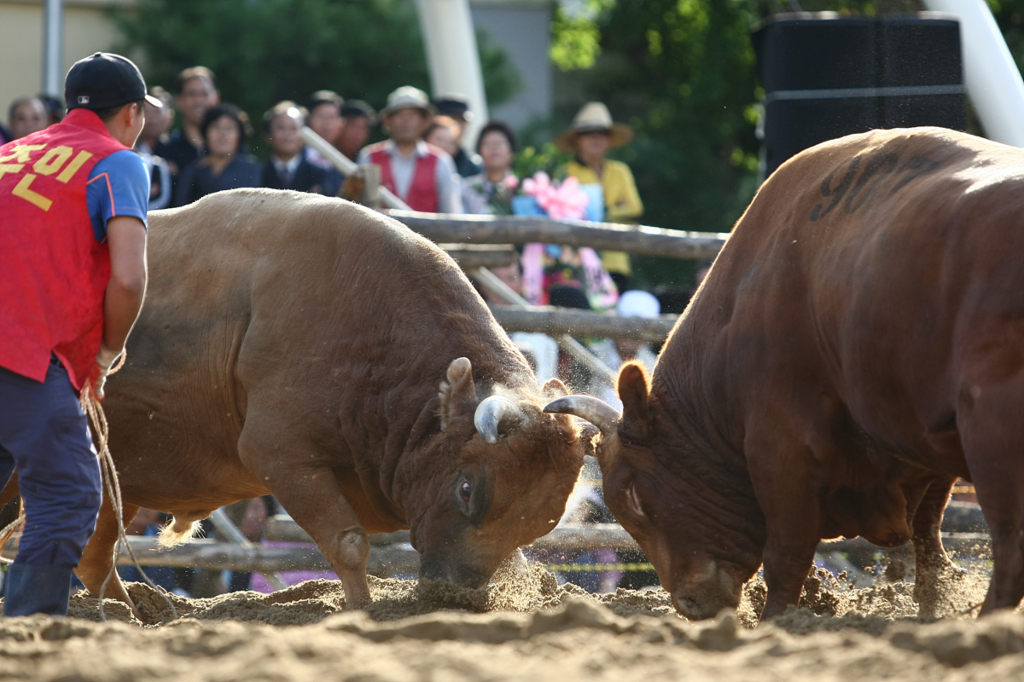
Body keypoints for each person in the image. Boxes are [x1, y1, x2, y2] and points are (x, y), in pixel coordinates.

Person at [0, 51, 156, 617]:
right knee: (68, 494)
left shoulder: (9, 152)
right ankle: (28, 639)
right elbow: (130, 276)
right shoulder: (118, 164)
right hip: (22, 351)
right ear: (132, 114)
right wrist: (106, 354)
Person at [556, 102, 643, 290]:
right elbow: (561, 214)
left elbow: (635, 207)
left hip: (618, 259)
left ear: (609, 139)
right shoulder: (564, 172)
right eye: (588, 132)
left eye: (602, 132)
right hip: (578, 263)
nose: (596, 138)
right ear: (577, 139)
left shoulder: (621, 171)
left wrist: (598, 211)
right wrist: (617, 206)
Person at [357, 86, 462, 213]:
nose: (406, 121)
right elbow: (360, 210)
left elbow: (451, 214)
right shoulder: (369, 156)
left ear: (424, 122)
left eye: (413, 115)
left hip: (429, 233)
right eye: (400, 115)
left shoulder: (441, 161)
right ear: (388, 121)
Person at [172, 104, 260, 207]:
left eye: (229, 128)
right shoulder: (192, 171)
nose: (222, 134)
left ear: (240, 135)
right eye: (216, 127)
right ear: (205, 132)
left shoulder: (253, 170)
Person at [155, 66, 220, 178]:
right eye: (192, 94)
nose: (198, 101)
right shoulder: (166, 149)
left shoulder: (229, 148)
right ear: (179, 100)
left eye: (205, 94)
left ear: (216, 98)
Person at [260, 101, 331, 194]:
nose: (287, 134)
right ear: (268, 135)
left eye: (293, 128)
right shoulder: (258, 173)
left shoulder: (319, 175)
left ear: (305, 135)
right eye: (281, 128)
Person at [462, 120, 518, 215]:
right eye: (487, 143)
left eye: (499, 143)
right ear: (479, 152)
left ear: (511, 152)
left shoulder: (524, 189)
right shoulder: (467, 189)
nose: (494, 148)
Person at [135, 87, 174, 210]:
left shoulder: (177, 150)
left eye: (157, 111)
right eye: (146, 111)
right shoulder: (128, 148)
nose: (151, 117)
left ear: (170, 118)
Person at [435, 93, 482, 178]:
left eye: (462, 122)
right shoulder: (416, 159)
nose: (457, 127)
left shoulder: (473, 166)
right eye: (452, 121)